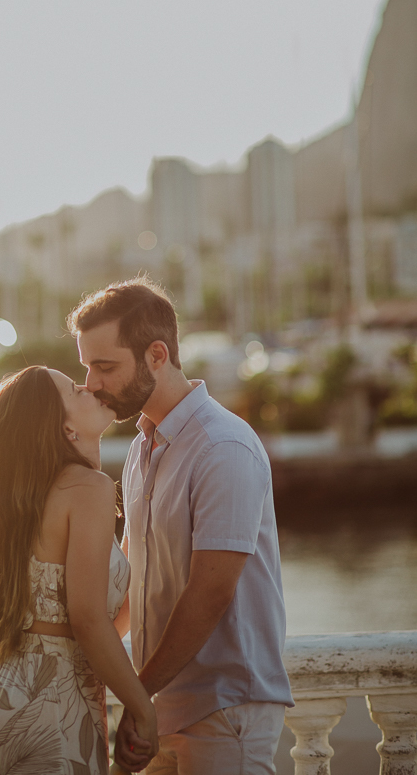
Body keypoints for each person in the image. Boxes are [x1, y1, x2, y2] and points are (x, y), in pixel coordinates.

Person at [68, 277, 294, 775]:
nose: (92, 383)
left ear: (156, 355)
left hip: (223, 711)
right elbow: (130, 581)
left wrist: (138, 693)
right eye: (87, 367)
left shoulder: (223, 447)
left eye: (105, 367)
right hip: (161, 710)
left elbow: (209, 592)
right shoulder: (141, 448)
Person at [0, 365, 159, 775]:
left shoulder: (32, 496)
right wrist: (143, 709)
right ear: (64, 428)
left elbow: (83, 619)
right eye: (74, 389)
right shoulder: (89, 488)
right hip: (51, 703)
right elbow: (86, 620)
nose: (88, 386)